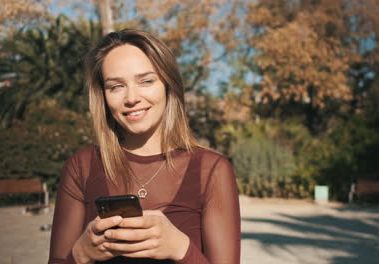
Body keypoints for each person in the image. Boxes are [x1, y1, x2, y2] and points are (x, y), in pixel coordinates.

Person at [48, 29, 241, 264]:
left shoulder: (211, 170)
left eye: (146, 81)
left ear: (168, 84)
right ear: (103, 96)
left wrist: (180, 249)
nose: (131, 98)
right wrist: (80, 254)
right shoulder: (82, 166)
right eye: (116, 86)